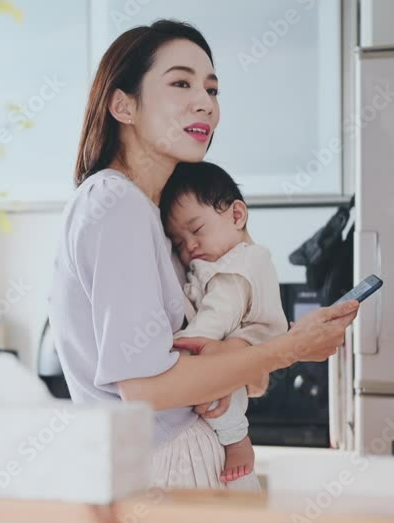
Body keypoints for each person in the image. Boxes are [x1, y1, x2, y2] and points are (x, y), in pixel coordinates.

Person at [49, 19, 358, 492]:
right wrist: (290, 347)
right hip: (165, 465)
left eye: (212, 90)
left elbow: (237, 377)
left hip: (175, 458)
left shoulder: (153, 215)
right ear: (123, 105)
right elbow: (145, 389)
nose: (205, 103)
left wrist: (238, 356)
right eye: (181, 83)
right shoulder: (117, 205)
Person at [161, 161, 287, 483]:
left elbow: (219, 312)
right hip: (241, 342)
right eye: (179, 242)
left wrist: (184, 345)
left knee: (216, 391)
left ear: (236, 215)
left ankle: (237, 440)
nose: (189, 246)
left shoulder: (239, 264)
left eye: (197, 230)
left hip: (248, 339)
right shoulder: (225, 259)